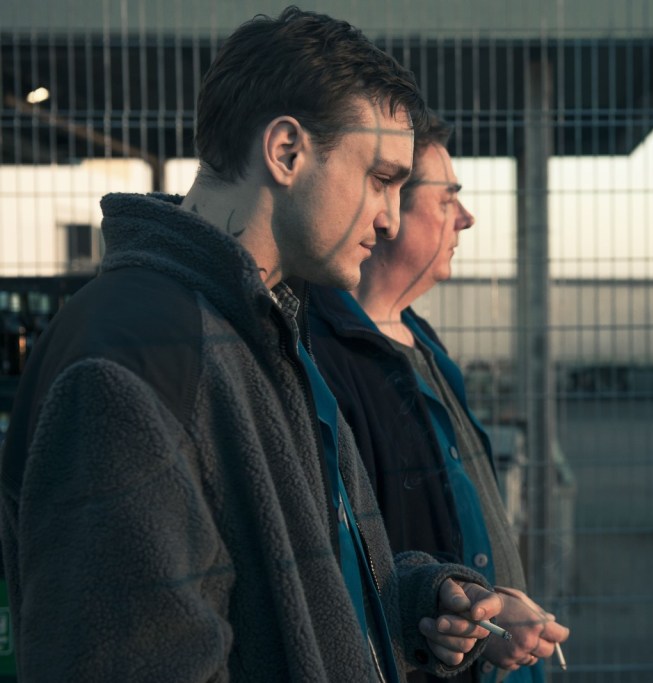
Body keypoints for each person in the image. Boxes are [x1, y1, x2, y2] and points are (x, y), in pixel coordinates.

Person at [0, 8, 501, 681]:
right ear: (287, 151)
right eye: (380, 179)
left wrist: (417, 599)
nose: (387, 218)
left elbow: (295, 585)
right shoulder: (133, 362)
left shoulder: (260, 325)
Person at [305, 112, 570, 683]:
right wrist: (483, 620)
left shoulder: (417, 336)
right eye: (448, 198)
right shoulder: (324, 362)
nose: (466, 218)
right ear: (389, 204)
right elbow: (350, 566)